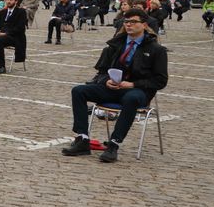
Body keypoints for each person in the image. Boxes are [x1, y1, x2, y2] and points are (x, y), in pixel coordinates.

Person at [61, 8, 168, 162]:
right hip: (113, 88)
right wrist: (106, 81)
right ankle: (82, 139)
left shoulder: (156, 49)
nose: (129, 25)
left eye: (133, 22)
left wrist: (132, 84)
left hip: (138, 91)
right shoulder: (115, 44)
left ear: (144, 25)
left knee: (131, 99)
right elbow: (102, 71)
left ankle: (113, 144)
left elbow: (160, 80)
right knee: (78, 91)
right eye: (126, 22)